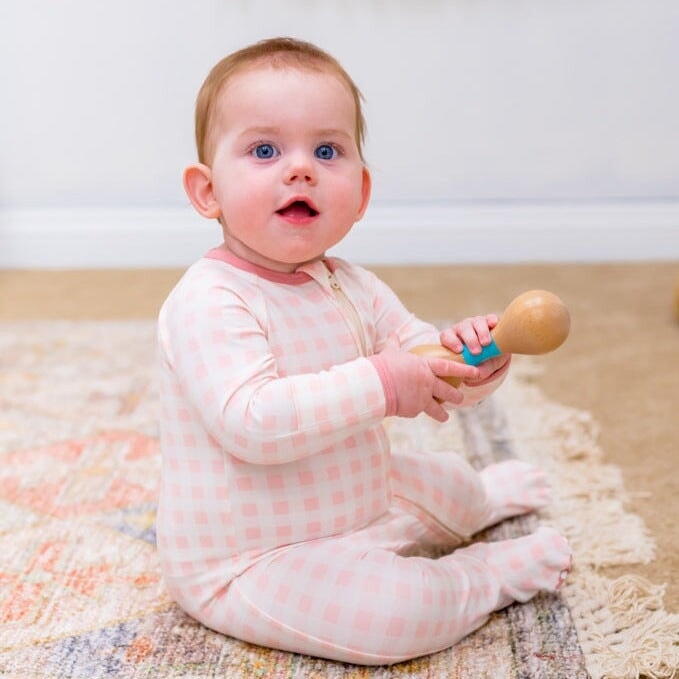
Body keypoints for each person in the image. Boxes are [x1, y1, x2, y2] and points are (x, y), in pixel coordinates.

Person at [156, 36, 572, 666]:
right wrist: (383, 381)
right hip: (253, 557)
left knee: (452, 486)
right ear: (207, 192)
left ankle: (481, 503)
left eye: (327, 150)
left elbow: (425, 365)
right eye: (264, 149)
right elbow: (254, 422)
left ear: (361, 191)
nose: (300, 169)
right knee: (393, 617)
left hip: (355, 501)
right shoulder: (208, 300)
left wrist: (478, 356)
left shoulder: (353, 284)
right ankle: (485, 576)